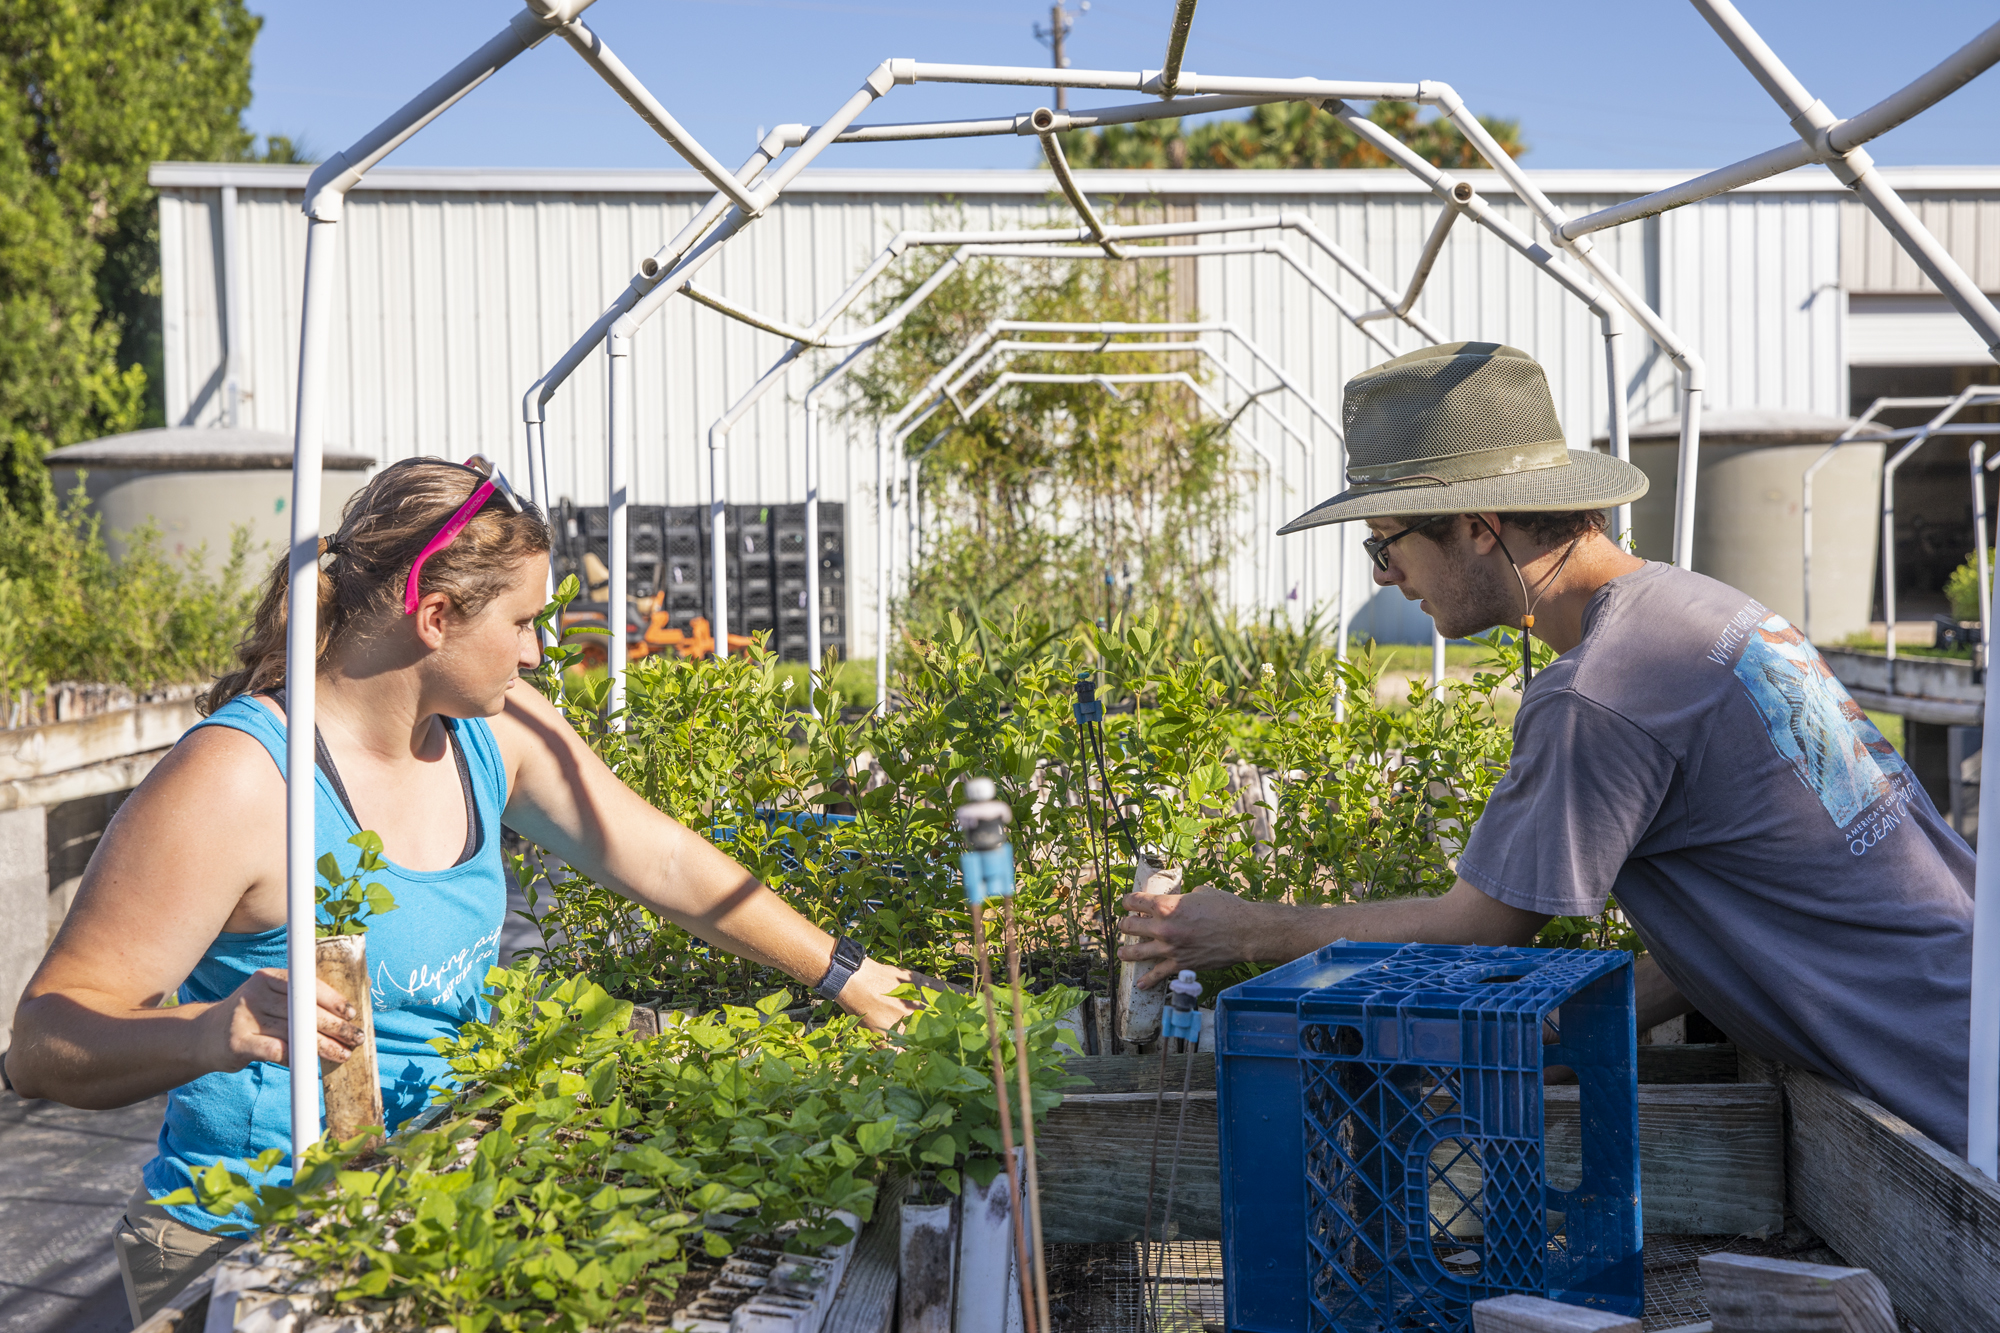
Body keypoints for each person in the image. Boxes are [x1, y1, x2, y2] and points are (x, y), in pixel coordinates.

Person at [1, 457, 917, 1324]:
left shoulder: (496, 733)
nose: (538, 653)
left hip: (431, 1212)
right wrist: (211, 1030)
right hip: (243, 1247)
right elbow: (45, 1040)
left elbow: (665, 863)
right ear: (434, 616)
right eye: (523, 623)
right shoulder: (243, 781)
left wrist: (849, 976)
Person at [1119, 341, 1975, 1157]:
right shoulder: (1703, 611)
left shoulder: (1600, 691)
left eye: (1388, 541)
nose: (1383, 573)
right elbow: (1753, 908)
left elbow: (1473, 930)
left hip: (1952, 1091)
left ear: (1480, 525)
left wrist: (1242, 930)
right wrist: (1556, 1042)